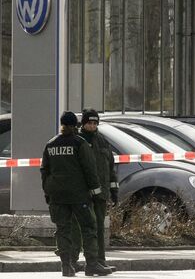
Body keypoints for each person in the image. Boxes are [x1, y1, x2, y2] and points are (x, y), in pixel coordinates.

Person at [40, 111, 112, 277]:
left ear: (62, 124)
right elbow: (90, 169)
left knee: (63, 230)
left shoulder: (50, 144)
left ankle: (66, 266)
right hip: (79, 195)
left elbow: (44, 170)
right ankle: (92, 265)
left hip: (57, 195)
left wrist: (47, 191)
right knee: (88, 227)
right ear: (76, 125)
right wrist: (96, 191)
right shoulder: (79, 143)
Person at [70, 109, 119, 273]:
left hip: (101, 193)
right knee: (78, 227)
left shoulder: (102, 141)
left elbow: (111, 168)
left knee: (98, 227)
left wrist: (114, 190)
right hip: (83, 193)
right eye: (89, 123)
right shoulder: (77, 141)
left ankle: (99, 260)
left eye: (94, 123)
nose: (92, 125)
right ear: (83, 124)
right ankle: (73, 260)